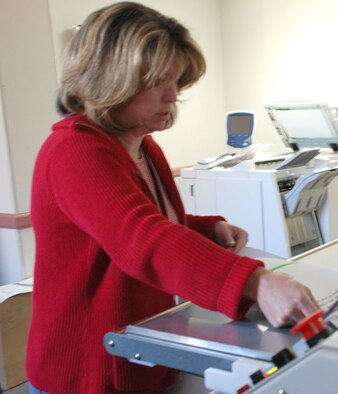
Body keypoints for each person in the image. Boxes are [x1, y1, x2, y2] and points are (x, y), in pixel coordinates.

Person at [26, 2, 320, 393]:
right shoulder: (74, 151)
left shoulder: (142, 146)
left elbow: (138, 223)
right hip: (86, 371)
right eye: (156, 83)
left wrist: (205, 228)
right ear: (110, 78)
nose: (172, 97)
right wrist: (256, 282)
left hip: (138, 352)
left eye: (177, 82)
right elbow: (142, 239)